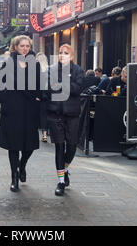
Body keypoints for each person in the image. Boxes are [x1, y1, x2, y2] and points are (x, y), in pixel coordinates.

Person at [0, 35, 41, 193]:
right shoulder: (8, 63)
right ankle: (14, 177)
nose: (25, 49)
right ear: (15, 47)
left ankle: (22, 166)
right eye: (22, 46)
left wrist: (38, 97)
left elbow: (40, 83)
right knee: (13, 146)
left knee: (30, 146)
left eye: (27, 46)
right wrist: (6, 100)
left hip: (29, 109)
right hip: (13, 108)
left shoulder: (34, 64)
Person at [46, 44, 84, 196]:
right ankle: (61, 181)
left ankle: (65, 168)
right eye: (60, 53)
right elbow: (50, 88)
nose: (62, 55)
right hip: (55, 114)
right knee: (59, 147)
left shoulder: (78, 70)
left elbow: (77, 88)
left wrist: (61, 84)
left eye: (66, 53)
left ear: (72, 56)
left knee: (72, 146)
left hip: (72, 114)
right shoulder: (52, 69)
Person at [36, 52, 49, 143]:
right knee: (46, 115)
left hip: (38, 96)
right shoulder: (50, 70)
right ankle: (45, 134)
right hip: (48, 96)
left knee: (37, 115)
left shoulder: (36, 70)